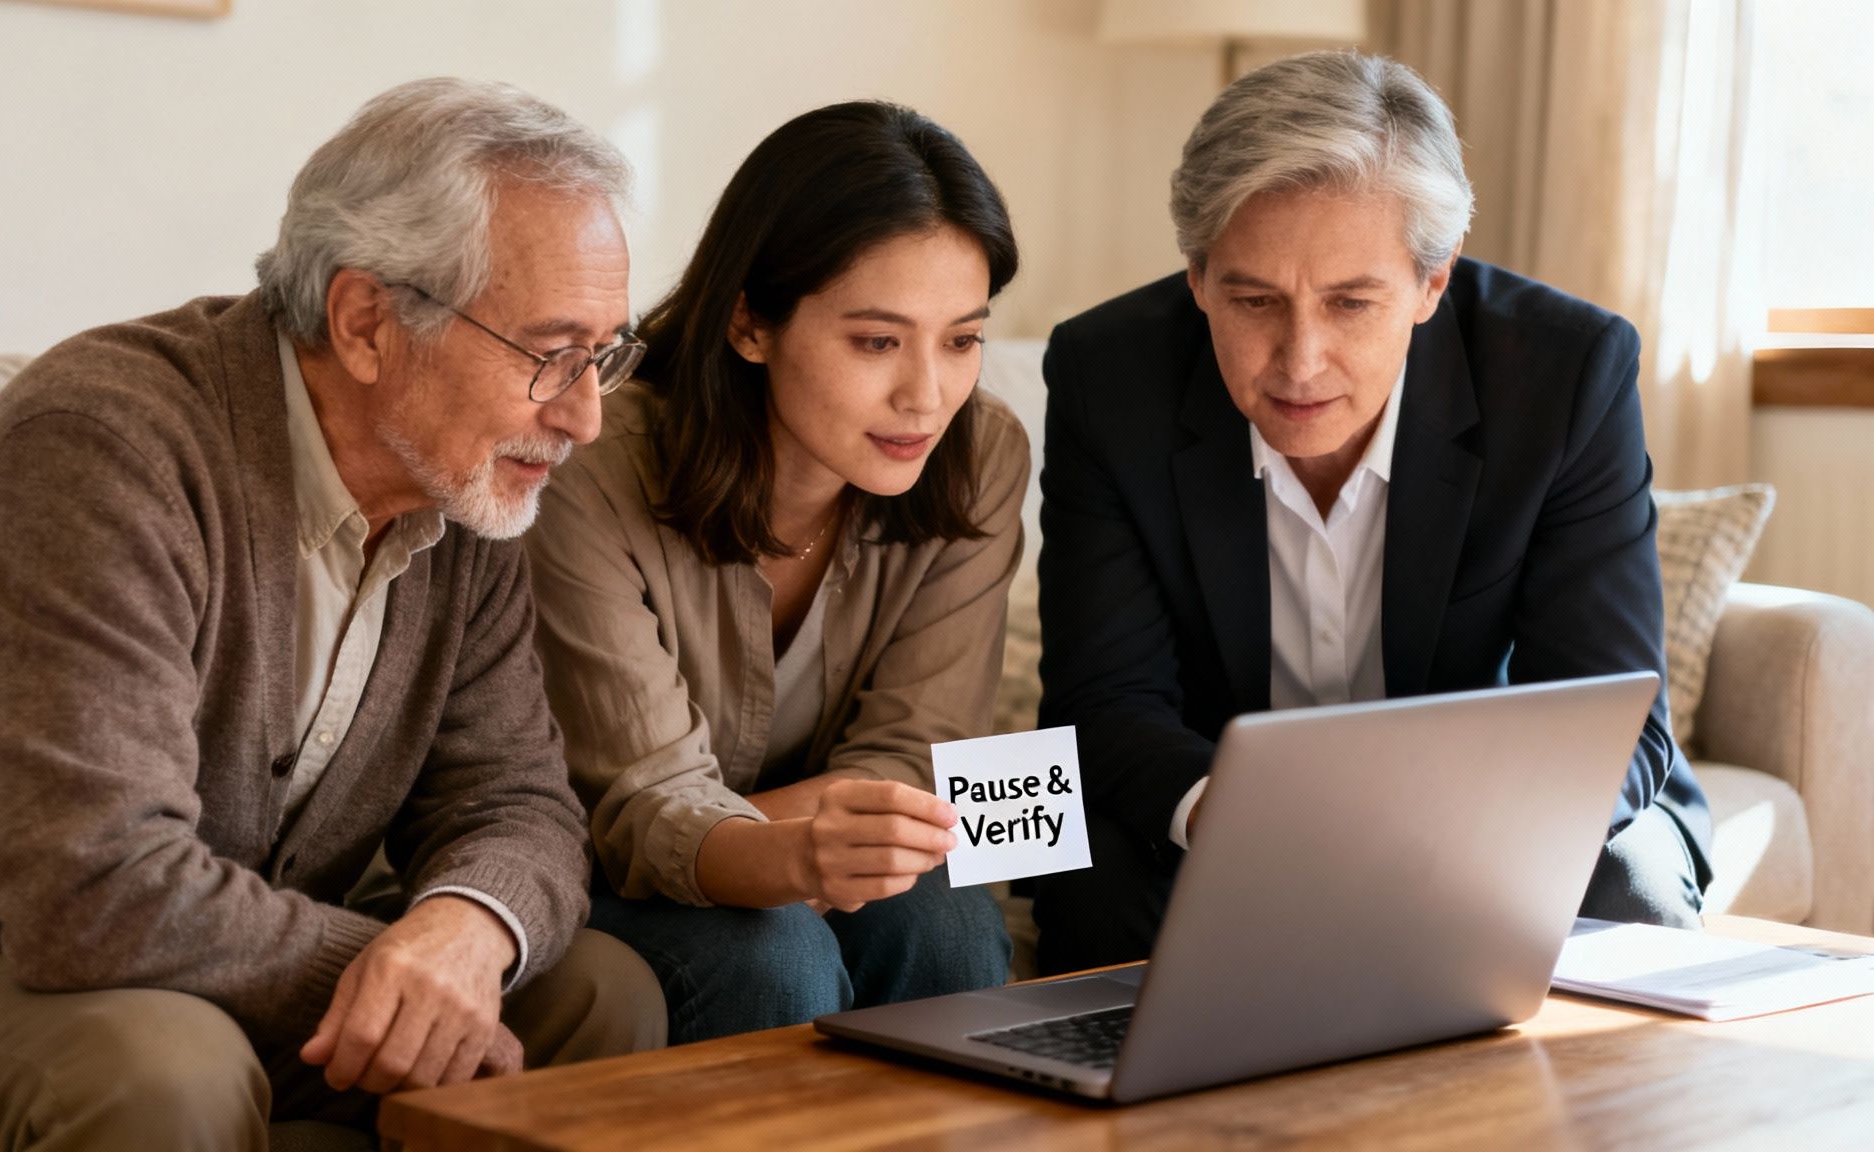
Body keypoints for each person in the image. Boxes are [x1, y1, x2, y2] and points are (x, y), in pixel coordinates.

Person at [0, 78, 666, 1149]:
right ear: (366, 323)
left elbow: (518, 803)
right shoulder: (103, 447)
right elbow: (92, 886)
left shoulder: (467, 492)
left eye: (603, 354)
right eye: (551, 354)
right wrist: (381, 968)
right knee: (167, 1072)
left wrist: (468, 928)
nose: (585, 415)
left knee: (599, 992)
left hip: (224, 956)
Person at [1030, 51, 1712, 976]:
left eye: (1351, 303)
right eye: (1253, 300)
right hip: (1210, 799)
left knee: (1623, 889)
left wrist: (1430, 842)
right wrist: (1227, 813)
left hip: (1484, 813)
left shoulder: (1564, 374)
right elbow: (1103, 701)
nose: (1299, 361)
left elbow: (1611, 714)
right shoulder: (1108, 377)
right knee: (1087, 883)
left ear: (1433, 285)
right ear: (1196, 278)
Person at [524, 101, 1025, 1044]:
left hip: (784, 855)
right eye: (877, 341)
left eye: (962, 340)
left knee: (948, 925)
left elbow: (919, 763)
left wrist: (818, 844)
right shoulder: (595, 467)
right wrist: (798, 845)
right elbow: (644, 810)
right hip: (605, 873)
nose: (928, 395)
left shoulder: (978, 453)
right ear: (750, 322)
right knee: (772, 955)